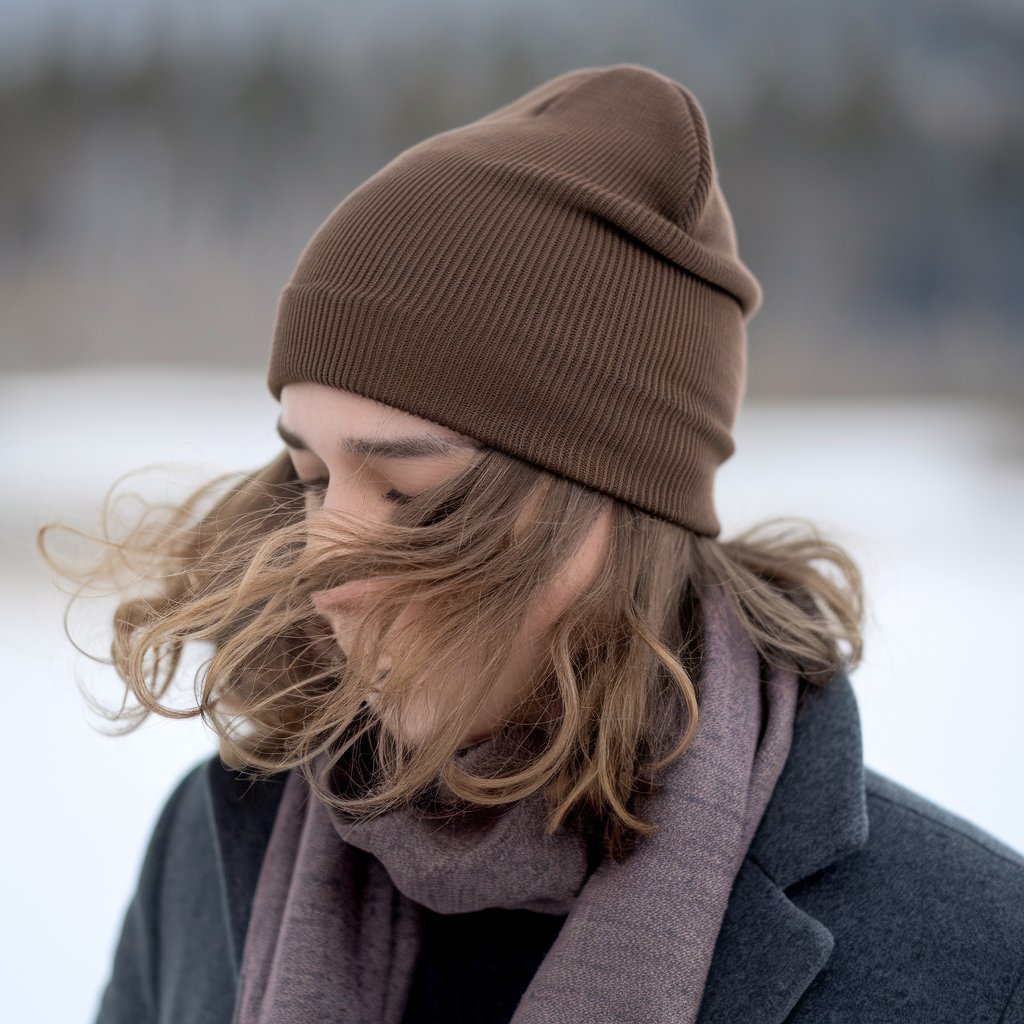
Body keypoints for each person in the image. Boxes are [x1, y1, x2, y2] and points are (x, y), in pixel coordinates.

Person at [40, 63, 1024, 1024]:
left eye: (409, 491)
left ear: (618, 504)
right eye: (311, 478)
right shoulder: (216, 849)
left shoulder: (975, 960)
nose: (319, 573)